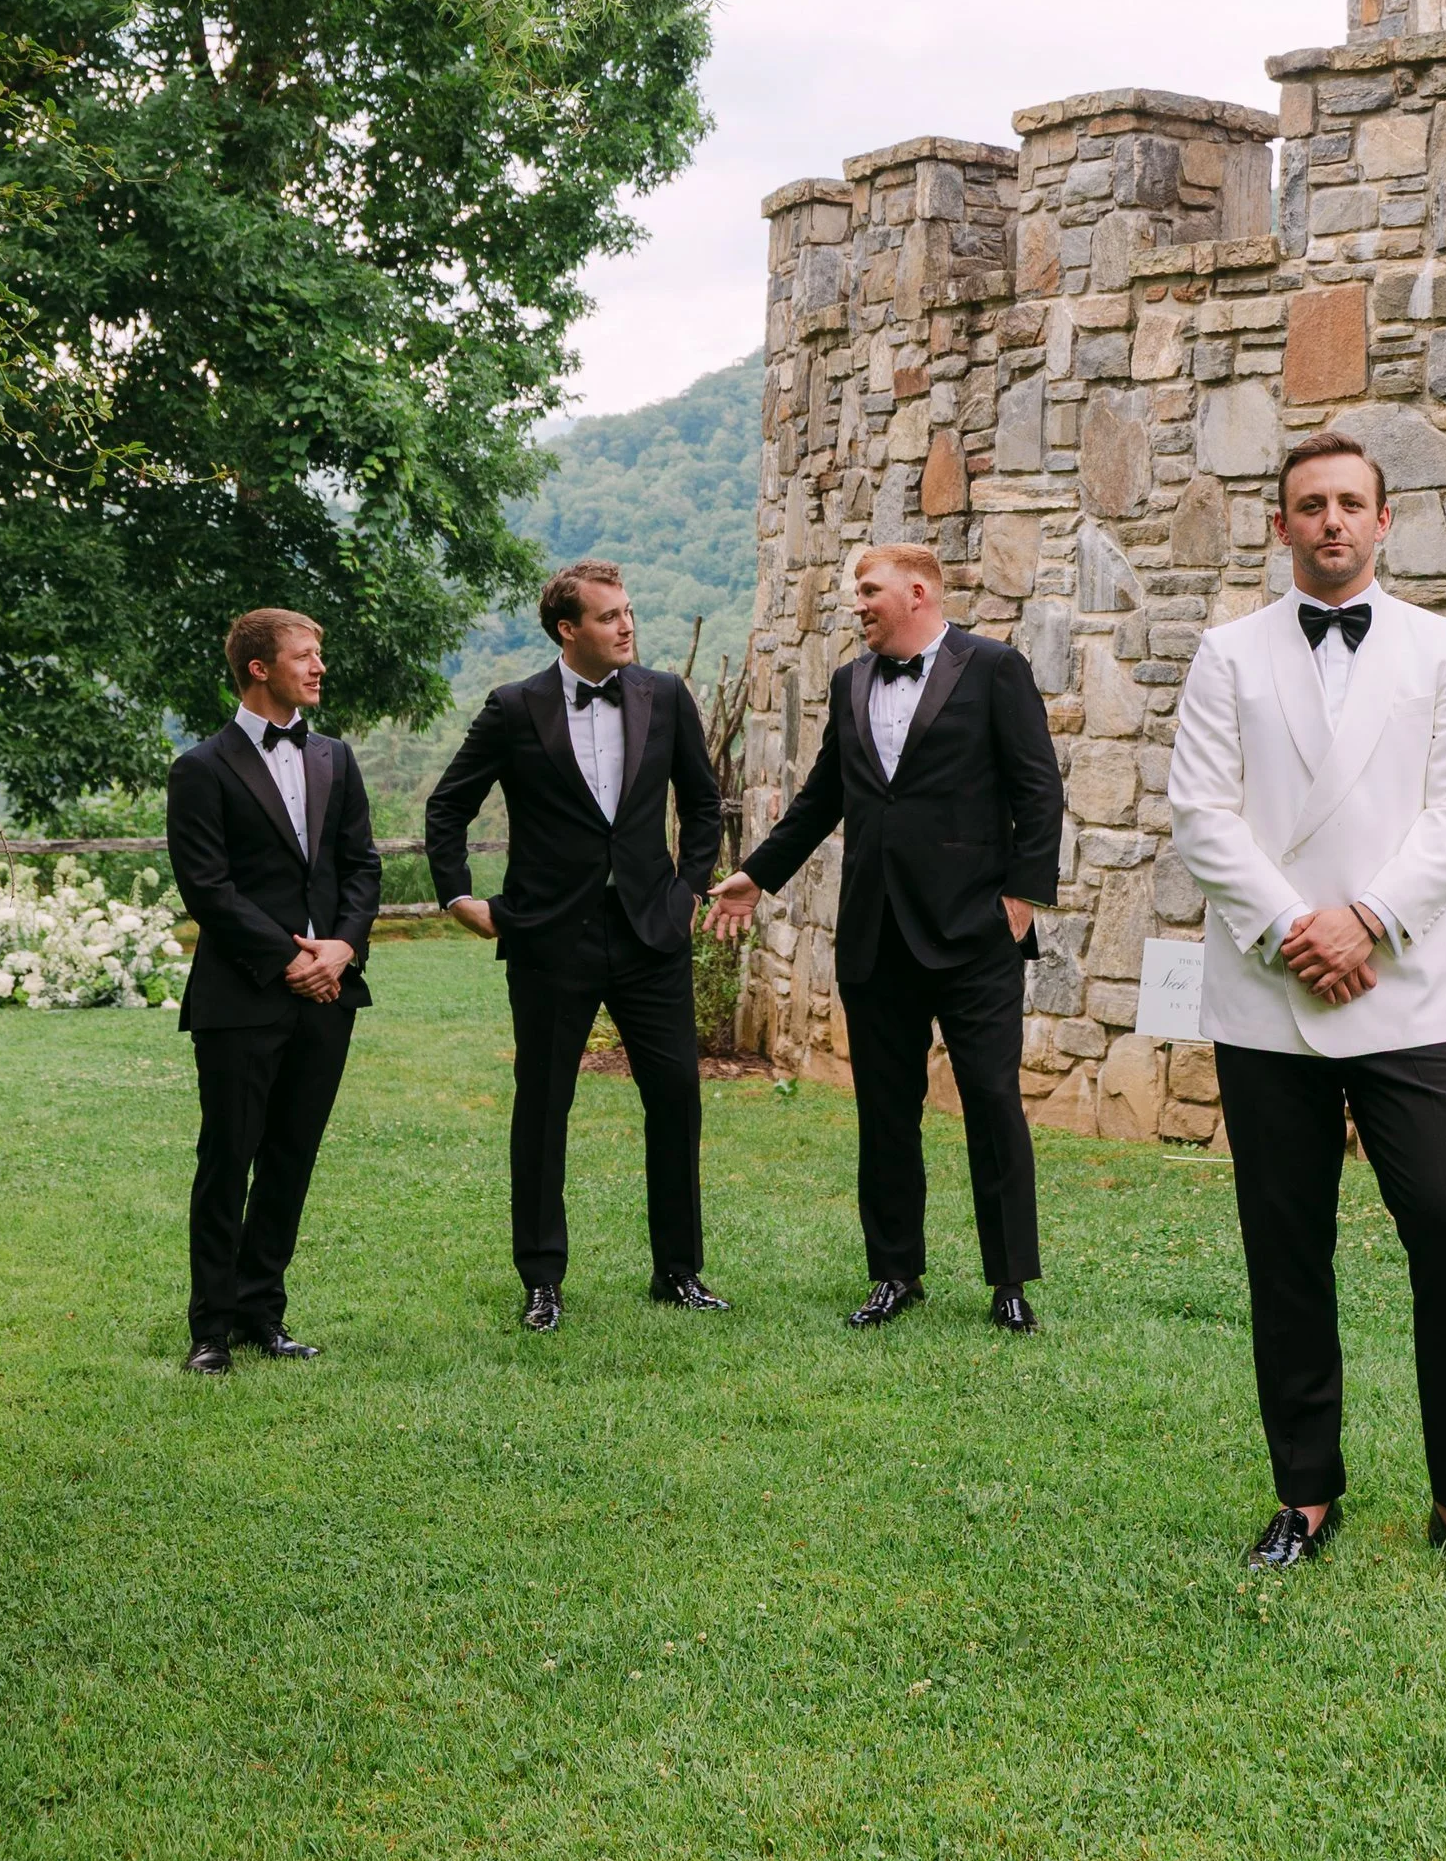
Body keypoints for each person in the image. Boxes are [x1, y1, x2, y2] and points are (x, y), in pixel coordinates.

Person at [1166, 432, 1446, 1579]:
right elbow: (1202, 812)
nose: (1330, 520)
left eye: (1350, 503)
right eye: (1309, 504)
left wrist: (1366, 918)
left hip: (1405, 989)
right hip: (1270, 995)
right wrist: (1293, 926)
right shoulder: (1226, 653)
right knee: (1286, 1246)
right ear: (1279, 526)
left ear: (1385, 519)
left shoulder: (1444, 647)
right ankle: (1303, 1491)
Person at [708, 543, 1063, 1331]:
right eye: (853, 593)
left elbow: (1039, 786)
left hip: (976, 933)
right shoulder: (848, 681)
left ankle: (1009, 1280)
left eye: (867, 591)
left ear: (917, 590)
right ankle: (895, 1273)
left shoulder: (995, 668)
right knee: (884, 1112)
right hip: (875, 932)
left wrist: (1024, 898)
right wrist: (758, 874)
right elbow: (822, 795)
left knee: (993, 1103)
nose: (856, 604)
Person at [426, 558, 727, 1329]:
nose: (626, 625)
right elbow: (448, 806)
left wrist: (689, 890)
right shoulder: (513, 706)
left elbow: (701, 804)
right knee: (543, 1105)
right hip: (548, 938)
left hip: (649, 934)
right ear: (568, 628)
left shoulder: (665, 696)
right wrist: (461, 896)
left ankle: (678, 1270)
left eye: (628, 611)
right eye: (608, 616)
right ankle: (542, 1280)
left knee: (676, 1098)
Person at [166, 610, 381, 1374]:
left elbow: (362, 866)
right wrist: (286, 958)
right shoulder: (201, 767)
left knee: (292, 1157)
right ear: (259, 667)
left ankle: (265, 1313)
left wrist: (342, 948)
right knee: (229, 1156)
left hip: (329, 993)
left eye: (320, 653)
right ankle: (210, 1330)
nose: (319, 666)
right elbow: (208, 887)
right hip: (241, 995)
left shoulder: (335, 758)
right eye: (305, 655)